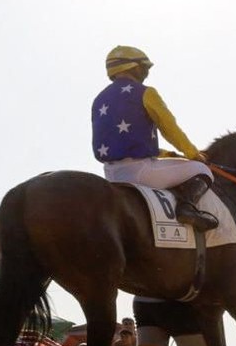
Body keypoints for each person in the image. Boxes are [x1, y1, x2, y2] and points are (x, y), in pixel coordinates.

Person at [93, 46, 217, 231]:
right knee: (202, 170)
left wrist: (167, 154)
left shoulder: (99, 99)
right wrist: (192, 153)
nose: (146, 73)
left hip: (110, 174)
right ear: (134, 67)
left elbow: (123, 142)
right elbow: (169, 128)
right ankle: (186, 209)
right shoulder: (145, 92)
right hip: (141, 172)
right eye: (145, 68)